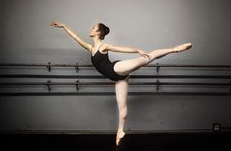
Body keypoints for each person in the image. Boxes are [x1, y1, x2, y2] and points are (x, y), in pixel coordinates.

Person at [50, 21, 192, 146]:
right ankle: (120, 131)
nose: (91, 29)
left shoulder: (103, 46)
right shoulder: (90, 48)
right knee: (122, 109)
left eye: (93, 28)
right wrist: (64, 27)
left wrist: (137, 50)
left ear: (98, 32)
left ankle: (174, 49)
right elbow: (75, 38)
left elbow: (120, 49)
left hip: (116, 68)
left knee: (148, 58)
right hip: (118, 78)